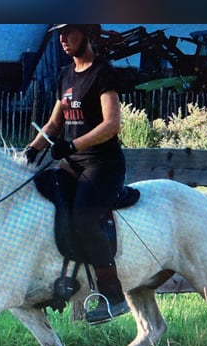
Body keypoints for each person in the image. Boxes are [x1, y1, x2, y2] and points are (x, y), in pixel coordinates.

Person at [25, 24, 130, 324]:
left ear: (86, 34)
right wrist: (32, 149)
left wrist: (72, 145)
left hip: (103, 164)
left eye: (68, 33)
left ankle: (113, 293)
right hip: (71, 164)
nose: (62, 39)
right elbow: (54, 124)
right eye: (59, 34)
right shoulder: (64, 75)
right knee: (47, 204)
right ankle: (61, 280)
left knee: (84, 218)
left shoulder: (102, 73)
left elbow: (112, 124)